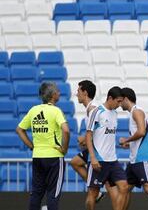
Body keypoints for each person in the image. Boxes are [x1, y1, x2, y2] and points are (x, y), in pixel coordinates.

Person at [16, 82, 70, 210]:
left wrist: (31, 146)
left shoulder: (34, 110)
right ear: (53, 95)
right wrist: (64, 149)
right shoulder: (56, 111)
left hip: (37, 156)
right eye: (58, 91)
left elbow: (19, 129)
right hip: (54, 158)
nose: (60, 93)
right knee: (53, 194)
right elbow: (66, 130)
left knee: (36, 194)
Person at [69, 80, 118, 205]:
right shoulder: (91, 108)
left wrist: (84, 140)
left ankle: (98, 191)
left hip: (98, 152)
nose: (76, 94)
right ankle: (98, 191)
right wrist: (85, 140)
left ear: (85, 92)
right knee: (75, 162)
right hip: (96, 149)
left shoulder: (93, 109)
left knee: (108, 185)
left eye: (78, 91)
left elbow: (96, 134)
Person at [85, 86, 129, 210]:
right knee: (92, 194)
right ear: (110, 98)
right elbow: (88, 135)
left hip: (112, 160)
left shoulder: (115, 114)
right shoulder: (97, 112)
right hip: (98, 160)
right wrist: (92, 157)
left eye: (121, 101)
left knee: (124, 187)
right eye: (118, 101)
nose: (120, 104)